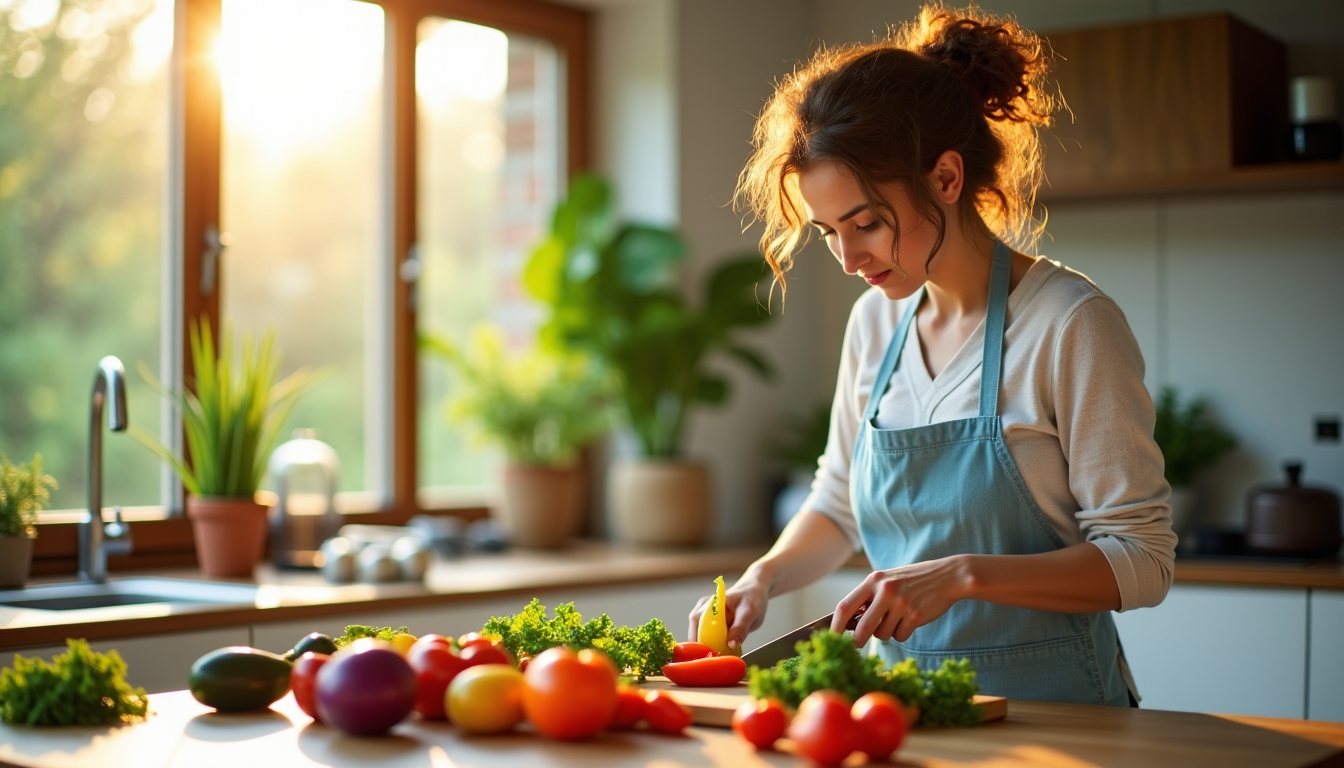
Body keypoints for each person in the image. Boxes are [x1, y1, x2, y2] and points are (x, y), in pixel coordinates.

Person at [689, 6, 1176, 707]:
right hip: (907, 714)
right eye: (828, 230)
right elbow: (837, 504)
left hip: (1065, 717)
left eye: (867, 223)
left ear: (947, 178)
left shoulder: (1069, 325)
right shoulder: (873, 326)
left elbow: (1143, 562)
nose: (850, 258)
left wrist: (963, 576)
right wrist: (765, 576)